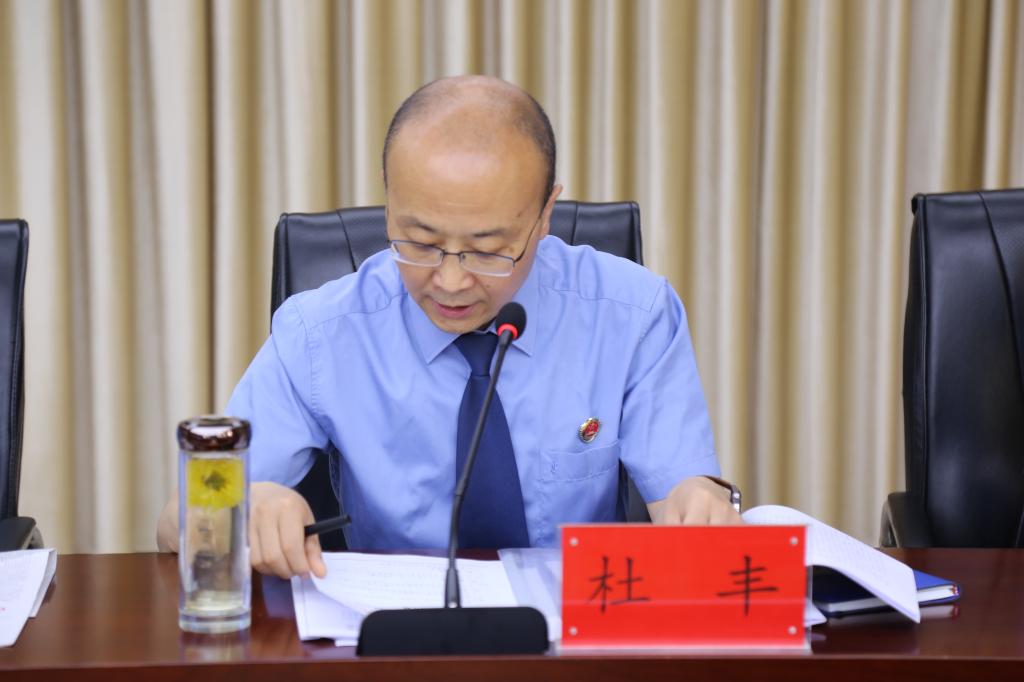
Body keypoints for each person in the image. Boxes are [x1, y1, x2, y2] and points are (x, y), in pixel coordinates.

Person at [157, 75, 741, 579]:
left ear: (545, 214)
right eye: (420, 243)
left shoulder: (633, 315)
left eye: (488, 250)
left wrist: (697, 499)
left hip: (575, 635)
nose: (452, 281)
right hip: (393, 639)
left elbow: (681, 494)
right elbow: (176, 520)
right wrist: (241, 505)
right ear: (389, 202)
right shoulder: (320, 333)